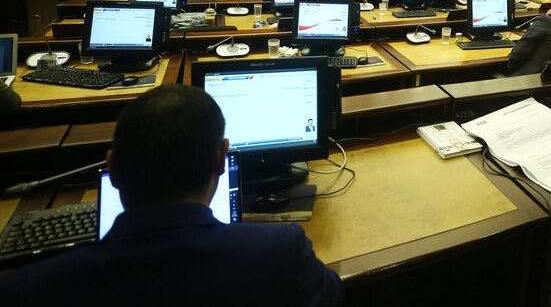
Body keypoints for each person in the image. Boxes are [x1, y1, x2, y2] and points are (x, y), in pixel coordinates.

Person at [0, 84, 343, 305]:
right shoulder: (280, 250)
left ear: (113, 169)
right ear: (222, 161)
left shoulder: (24, 292)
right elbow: (332, 294)